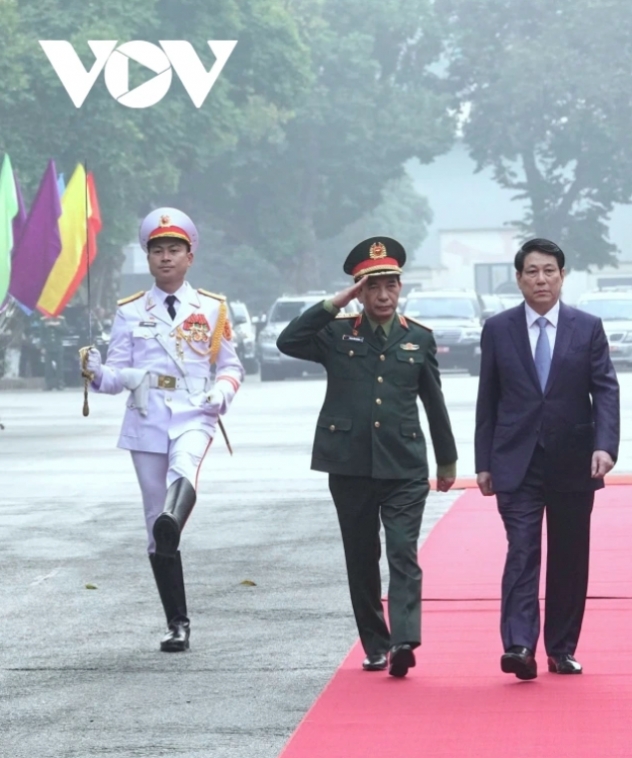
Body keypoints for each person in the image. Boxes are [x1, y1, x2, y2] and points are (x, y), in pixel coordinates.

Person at [276, 236, 457, 678]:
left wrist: (446, 460)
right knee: (361, 557)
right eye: (371, 287)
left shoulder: (419, 339)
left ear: (400, 288)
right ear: (359, 291)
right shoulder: (337, 334)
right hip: (349, 464)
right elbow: (287, 340)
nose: (382, 295)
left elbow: (434, 402)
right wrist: (335, 303)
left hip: (404, 465)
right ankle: (376, 645)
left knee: (402, 553)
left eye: (390, 286)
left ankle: (403, 640)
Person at [82, 208, 244, 652]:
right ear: (148, 258)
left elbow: (231, 367)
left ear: (190, 256)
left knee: (185, 468)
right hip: (146, 415)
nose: (166, 258)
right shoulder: (131, 312)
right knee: (154, 521)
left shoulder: (212, 307)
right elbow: (117, 378)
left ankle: (175, 519)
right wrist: (96, 373)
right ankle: (178, 623)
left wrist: (222, 394)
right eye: (157, 251)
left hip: (195, 411)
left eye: (174, 250)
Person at [475, 237, 620, 680]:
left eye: (549, 271)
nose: (541, 279)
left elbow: (606, 390)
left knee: (569, 557)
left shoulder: (587, 326)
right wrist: (483, 462)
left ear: (562, 276)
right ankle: (519, 645)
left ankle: (561, 647)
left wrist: (605, 445)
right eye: (532, 271)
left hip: (575, 460)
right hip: (515, 460)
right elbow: (489, 399)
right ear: (518, 279)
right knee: (522, 550)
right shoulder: (498, 329)